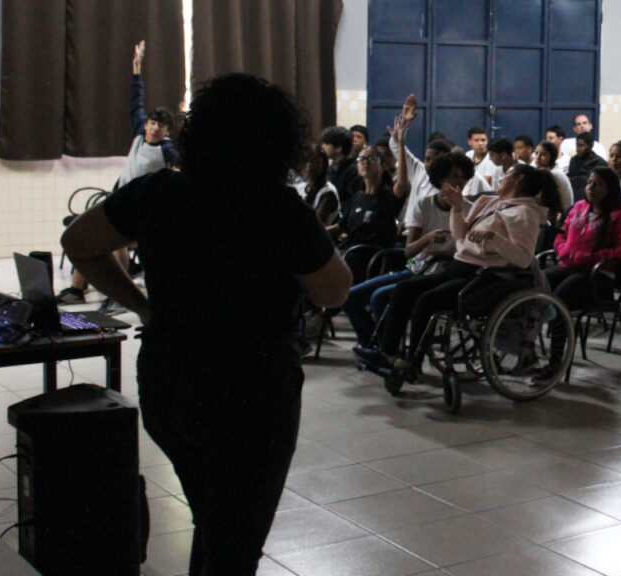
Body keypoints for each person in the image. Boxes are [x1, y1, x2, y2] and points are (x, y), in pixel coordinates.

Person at [61, 73, 352, 576]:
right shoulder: (279, 208)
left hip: (172, 380)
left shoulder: (158, 192)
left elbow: (78, 243)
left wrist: (142, 305)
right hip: (252, 392)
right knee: (234, 542)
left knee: (215, 519)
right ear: (278, 141)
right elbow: (334, 290)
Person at [358, 163, 560, 373]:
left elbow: (523, 259)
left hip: (486, 278)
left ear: (518, 180)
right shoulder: (486, 202)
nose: (500, 178)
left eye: (506, 174)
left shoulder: (524, 213)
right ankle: (388, 354)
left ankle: (411, 364)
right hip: (456, 266)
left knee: (426, 301)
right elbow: (459, 237)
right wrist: (456, 208)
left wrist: (495, 238)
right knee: (404, 289)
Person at [57, 40, 179, 308]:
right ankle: (77, 289)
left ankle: (118, 292)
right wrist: (136, 71)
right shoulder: (138, 136)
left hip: (145, 213)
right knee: (89, 234)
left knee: (113, 241)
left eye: (161, 126)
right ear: (146, 125)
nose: (155, 129)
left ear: (167, 132)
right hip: (123, 201)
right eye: (153, 123)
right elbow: (135, 101)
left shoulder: (168, 151)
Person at [342, 152, 470, 349]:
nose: (459, 182)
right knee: (351, 297)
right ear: (440, 178)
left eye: (463, 177)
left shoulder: (469, 209)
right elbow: (408, 252)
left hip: (443, 276)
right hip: (415, 268)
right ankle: (371, 344)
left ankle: (387, 349)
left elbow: (469, 252)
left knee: (380, 298)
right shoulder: (424, 204)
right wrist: (428, 239)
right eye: (453, 176)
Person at [541, 166, 621, 376]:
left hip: (597, 277)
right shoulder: (579, 208)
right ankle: (525, 348)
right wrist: (562, 248)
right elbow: (561, 235)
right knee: (536, 284)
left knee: (558, 300)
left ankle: (556, 361)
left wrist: (593, 258)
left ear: (610, 189)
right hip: (569, 266)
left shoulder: (619, 216)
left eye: (598, 184)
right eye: (590, 183)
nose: (591, 187)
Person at [326, 138, 409, 283]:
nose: (365, 162)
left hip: (368, 258)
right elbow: (340, 227)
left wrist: (400, 145)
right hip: (347, 251)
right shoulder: (357, 196)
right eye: (361, 159)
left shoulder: (388, 196)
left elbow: (402, 183)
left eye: (372, 158)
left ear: (382, 166)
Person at [533, 140, 575, 215]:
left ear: (552, 157)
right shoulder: (544, 170)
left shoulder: (554, 174)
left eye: (543, 154)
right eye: (536, 153)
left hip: (561, 216)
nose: (537, 157)